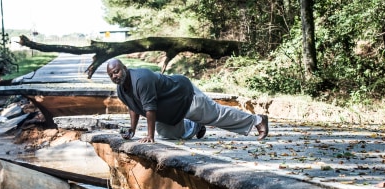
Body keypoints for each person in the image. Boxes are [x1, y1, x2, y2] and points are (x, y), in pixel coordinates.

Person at [106, 58, 269, 143]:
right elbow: (133, 108)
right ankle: (195, 126)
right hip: (170, 113)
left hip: (184, 96)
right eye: (111, 74)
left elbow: (150, 109)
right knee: (164, 132)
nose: (115, 76)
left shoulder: (141, 79)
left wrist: (149, 136)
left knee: (217, 115)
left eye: (117, 71)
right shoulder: (121, 90)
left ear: (124, 68)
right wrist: (132, 131)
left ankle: (258, 120)